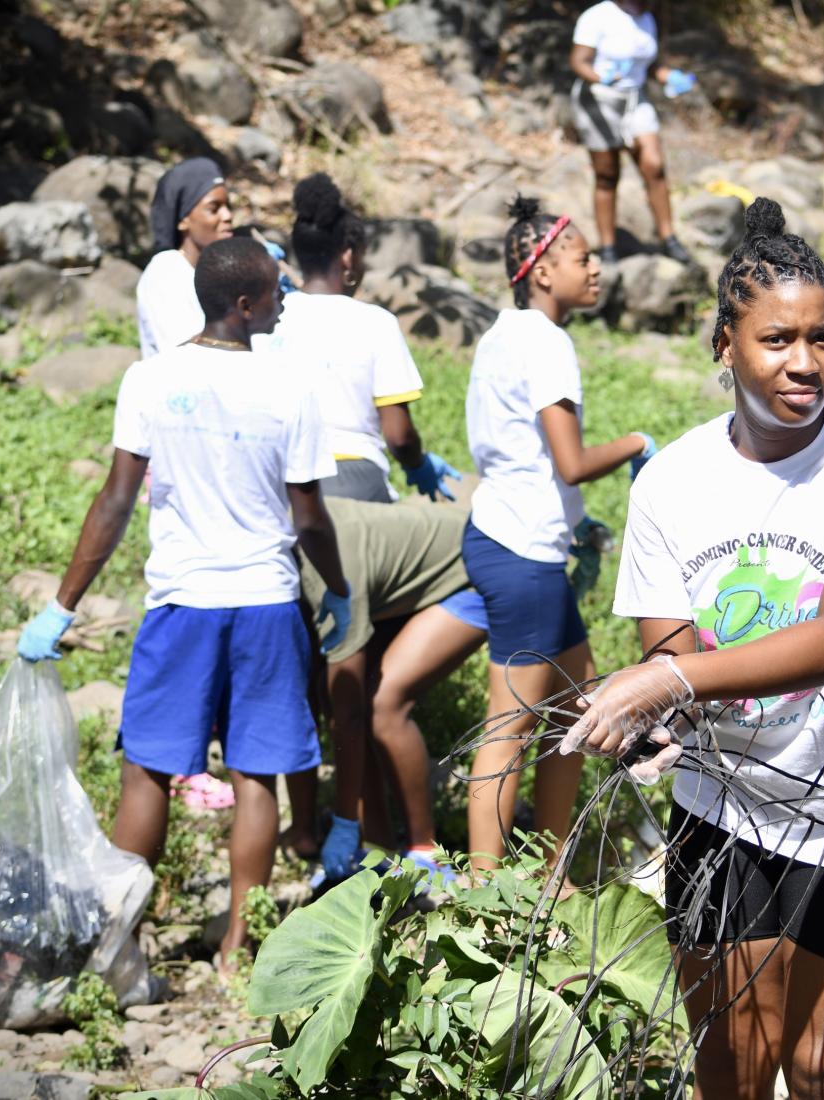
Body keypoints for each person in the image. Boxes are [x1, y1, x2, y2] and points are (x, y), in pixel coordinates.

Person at [563, 198, 824, 1100]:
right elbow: (673, 658)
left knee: (821, 1067)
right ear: (722, 343)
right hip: (725, 812)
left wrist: (665, 680)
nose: (805, 364)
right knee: (730, 1070)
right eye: (777, 340)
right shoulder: (672, 484)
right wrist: (648, 714)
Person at [15, 237, 353, 971]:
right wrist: (340, 590)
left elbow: (115, 500)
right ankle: (238, 945)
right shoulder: (290, 388)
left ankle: (121, 938)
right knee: (254, 774)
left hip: (181, 604)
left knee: (147, 770)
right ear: (242, 305)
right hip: (264, 602)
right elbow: (309, 518)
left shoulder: (149, 378)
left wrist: (63, 605)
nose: (283, 300)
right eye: (273, 291)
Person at [461, 195, 655, 872]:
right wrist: (638, 443)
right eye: (582, 257)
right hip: (524, 551)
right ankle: (483, 894)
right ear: (541, 271)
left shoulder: (503, 333)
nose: (596, 266)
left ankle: (550, 869)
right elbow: (570, 463)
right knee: (510, 726)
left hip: (508, 535)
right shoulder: (547, 342)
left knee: (577, 712)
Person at [287, 495, 488, 884]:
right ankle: (378, 849)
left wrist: (343, 821)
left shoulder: (328, 568)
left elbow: (349, 716)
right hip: (409, 585)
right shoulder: (285, 545)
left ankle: (425, 851)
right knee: (344, 699)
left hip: (475, 577)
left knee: (381, 705)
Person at [264, 172, 460, 504]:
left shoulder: (268, 320)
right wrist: (418, 464)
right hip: (355, 480)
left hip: (280, 481)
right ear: (348, 257)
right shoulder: (376, 324)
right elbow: (399, 436)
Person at [569, 0, 697, 266]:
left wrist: (668, 76)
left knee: (654, 166)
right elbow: (578, 61)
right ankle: (608, 247)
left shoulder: (647, 17)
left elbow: (649, 65)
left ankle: (668, 238)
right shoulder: (597, 16)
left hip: (635, 100)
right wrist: (599, 76)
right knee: (607, 174)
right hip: (598, 100)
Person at [137, 157, 235, 358]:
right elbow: (187, 355)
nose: (227, 216)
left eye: (228, 205)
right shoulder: (166, 272)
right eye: (214, 208)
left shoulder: (214, 272)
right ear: (183, 221)